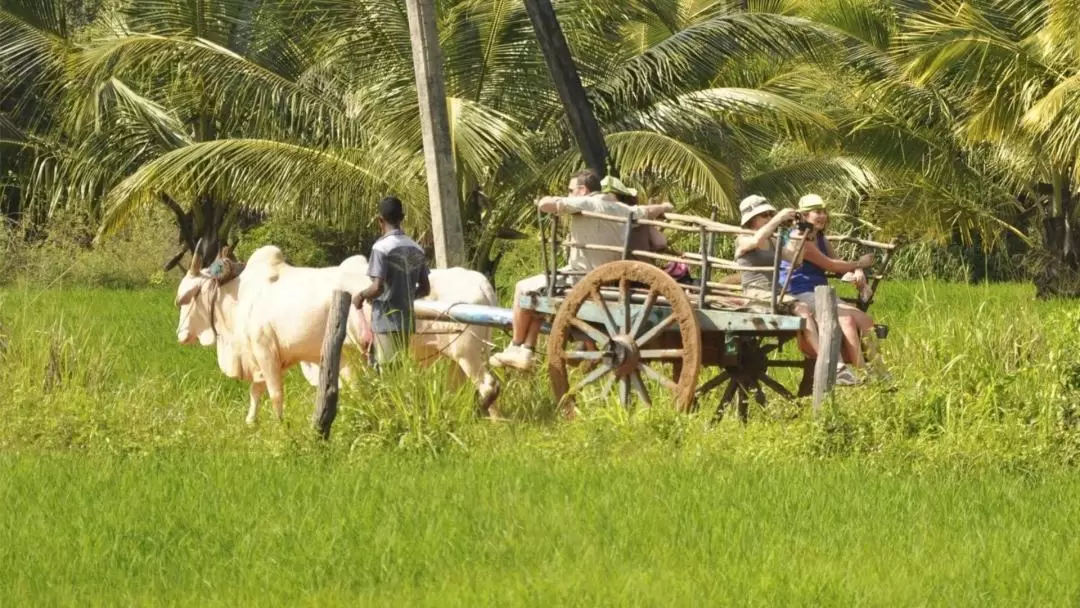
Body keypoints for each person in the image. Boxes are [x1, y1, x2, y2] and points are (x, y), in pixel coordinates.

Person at [488, 169, 674, 371]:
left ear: (582, 190)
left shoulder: (585, 203)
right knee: (538, 299)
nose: (568, 194)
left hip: (579, 278)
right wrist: (664, 206)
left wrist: (554, 200)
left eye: (570, 190)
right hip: (609, 279)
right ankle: (527, 350)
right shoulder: (623, 208)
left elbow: (544, 205)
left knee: (522, 287)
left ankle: (514, 347)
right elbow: (648, 210)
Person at [779, 194, 880, 379]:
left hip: (821, 293)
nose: (822, 216)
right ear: (803, 216)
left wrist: (856, 271)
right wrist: (860, 263)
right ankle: (863, 371)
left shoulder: (821, 239)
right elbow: (830, 266)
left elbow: (838, 264)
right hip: (799, 292)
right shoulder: (799, 238)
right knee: (847, 320)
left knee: (865, 320)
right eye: (817, 212)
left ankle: (879, 370)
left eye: (824, 212)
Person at [352, 196, 430, 369]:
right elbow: (425, 289)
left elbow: (377, 287)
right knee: (400, 368)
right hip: (406, 322)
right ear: (402, 218)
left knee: (386, 370)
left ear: (380, 220)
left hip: (385, 320)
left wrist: (361, 296)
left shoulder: (381, 248)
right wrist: (406, 297)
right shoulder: (416, 249)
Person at [733, 194, 804, 302]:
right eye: (764, 215)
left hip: (776, 291)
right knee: (803, 309)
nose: (769, 218)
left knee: (807, 308)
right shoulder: (742, 238)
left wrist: (800, 231)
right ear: (752, 219)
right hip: (756, 292)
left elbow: (796, 259)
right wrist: (778, 218)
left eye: (771, 214)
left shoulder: (772, 241)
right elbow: (755, 241)